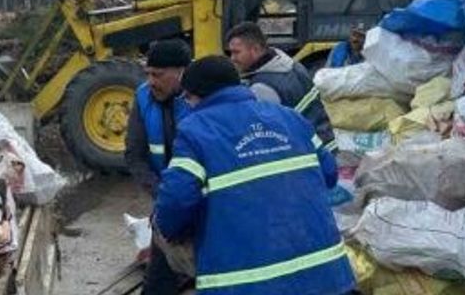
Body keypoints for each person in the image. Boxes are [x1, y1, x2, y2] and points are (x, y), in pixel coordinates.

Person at [154, 56, 355, 295]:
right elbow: (330, 174)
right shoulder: (290, 118)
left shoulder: (196, 130)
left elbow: (175, 201)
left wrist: (172, 230)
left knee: (158, 224)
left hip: (244, 283)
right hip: (326, 274)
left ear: (196, 95)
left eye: (186, 97)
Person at [124, 39, 192, 295]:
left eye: (158, 75)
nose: (151, 81)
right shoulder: (143, 97)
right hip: (167, 204)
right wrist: (161, 193)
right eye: (148, 74)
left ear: (181, 72)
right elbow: (134, 154)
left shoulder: (199, 98)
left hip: (203, 206)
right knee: (157, 284)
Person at [226, 22, 335, 152]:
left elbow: (266, 137)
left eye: (236, 52)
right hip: (327, 143)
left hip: (309, 152)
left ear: (255, 49)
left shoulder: (261, 88)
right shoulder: (293, 66)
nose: (232, 58)